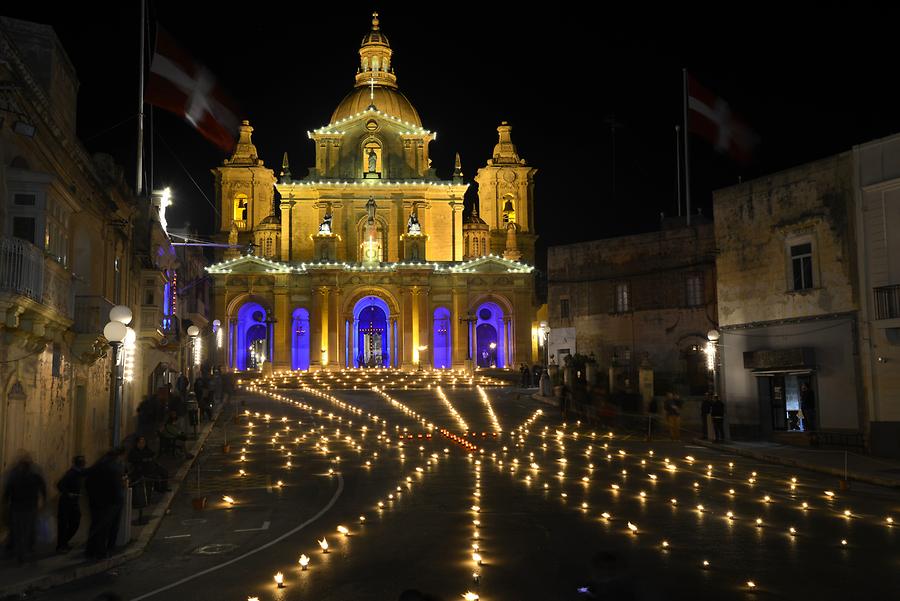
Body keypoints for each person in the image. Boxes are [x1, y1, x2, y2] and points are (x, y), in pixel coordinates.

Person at [2, 452, 46, 563]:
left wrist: (5, 503)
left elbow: (8, 492)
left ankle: (20, 554)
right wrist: (44, 501)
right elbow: (43, 489)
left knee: (17, 531)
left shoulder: (15, 476)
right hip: (30, 508)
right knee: (28, 530)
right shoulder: (35, 477)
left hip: (16, 508)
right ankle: (26, 551)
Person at [85, 448, 127, 560]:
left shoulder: (96, 466)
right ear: (119, 456)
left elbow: (87, 482)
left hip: (96, 501)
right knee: (108, 527)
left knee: (96, 526)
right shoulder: (114, 468)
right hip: (111, 503)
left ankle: (90, 551)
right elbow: (117, 488)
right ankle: (103, 551)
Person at [56, 455, 86, 553]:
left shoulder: (78, 473)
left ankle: (64, 543)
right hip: (66, 502)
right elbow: (59, 485)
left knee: (74, 522)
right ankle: (61, 545)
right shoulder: (72, 473)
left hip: (73, 502)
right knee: (65, 524)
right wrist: (68, 494)